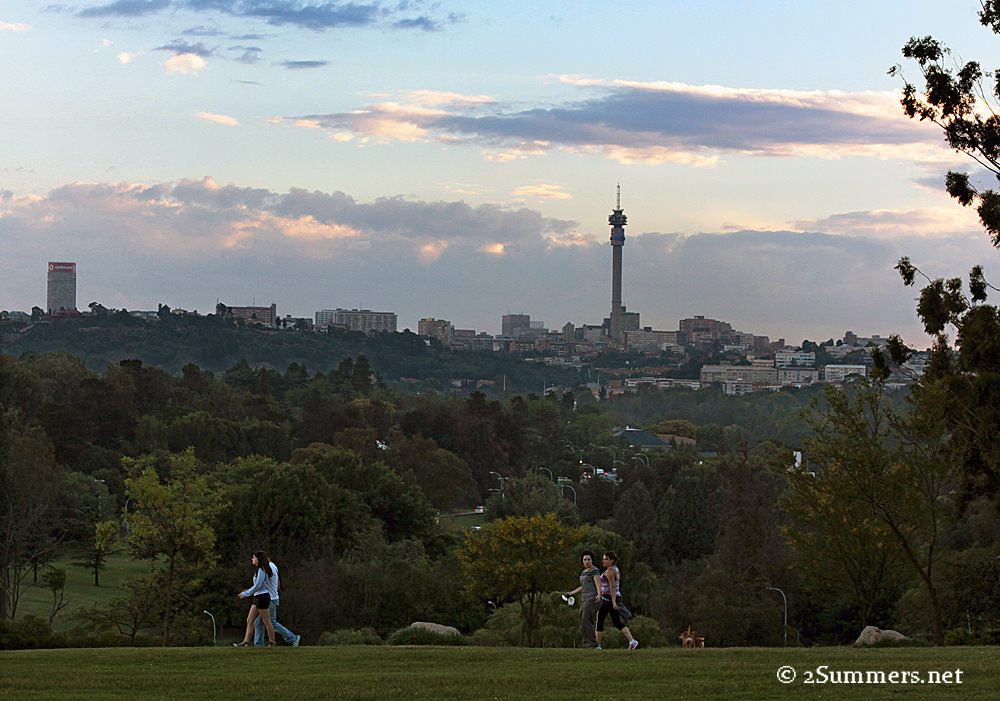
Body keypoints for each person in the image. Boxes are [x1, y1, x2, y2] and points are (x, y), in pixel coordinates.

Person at [595, 551, 638, 650]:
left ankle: (597, 645)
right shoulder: (615, 569)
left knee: (600, 620)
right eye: (603, 559)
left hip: (608, 599)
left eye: (606, 559)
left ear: (612, 560)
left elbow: (613, 586)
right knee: (616, 622)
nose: (603, 561)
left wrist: (613, 602)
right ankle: (632, 641)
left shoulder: (610, 571)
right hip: (613, 598)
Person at [232, 550, 277, 647]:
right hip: (257, 597)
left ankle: (272, 642)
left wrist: (245, 594)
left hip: (262, 598)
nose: (252, 559)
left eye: (254, 557)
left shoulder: (262, 570)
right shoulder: (258, 570)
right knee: (250, 620)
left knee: (267, 621)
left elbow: (258, 586)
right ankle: (246, 642)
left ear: (258, 559)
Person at [253, 558, 301, 647]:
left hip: (269, 600)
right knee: (258, 622)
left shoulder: (268, 567)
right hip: (269, 598)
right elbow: (277, 584)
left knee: (271, 622)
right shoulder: (272, 567)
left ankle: (293, 638)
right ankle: (258, 645)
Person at [563, 551, 602, 648]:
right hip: (584, 598)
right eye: (585, 560)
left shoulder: (594, 571)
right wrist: (572, 593)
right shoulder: (584, 572)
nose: (587, 561)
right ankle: (586, 643)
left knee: (586, 619)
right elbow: (583, 586)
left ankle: (592, 644)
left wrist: (599, 594)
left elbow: (598, 583)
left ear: (592, 560)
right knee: (583, 619)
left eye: (589, 559)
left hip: (592, 598)